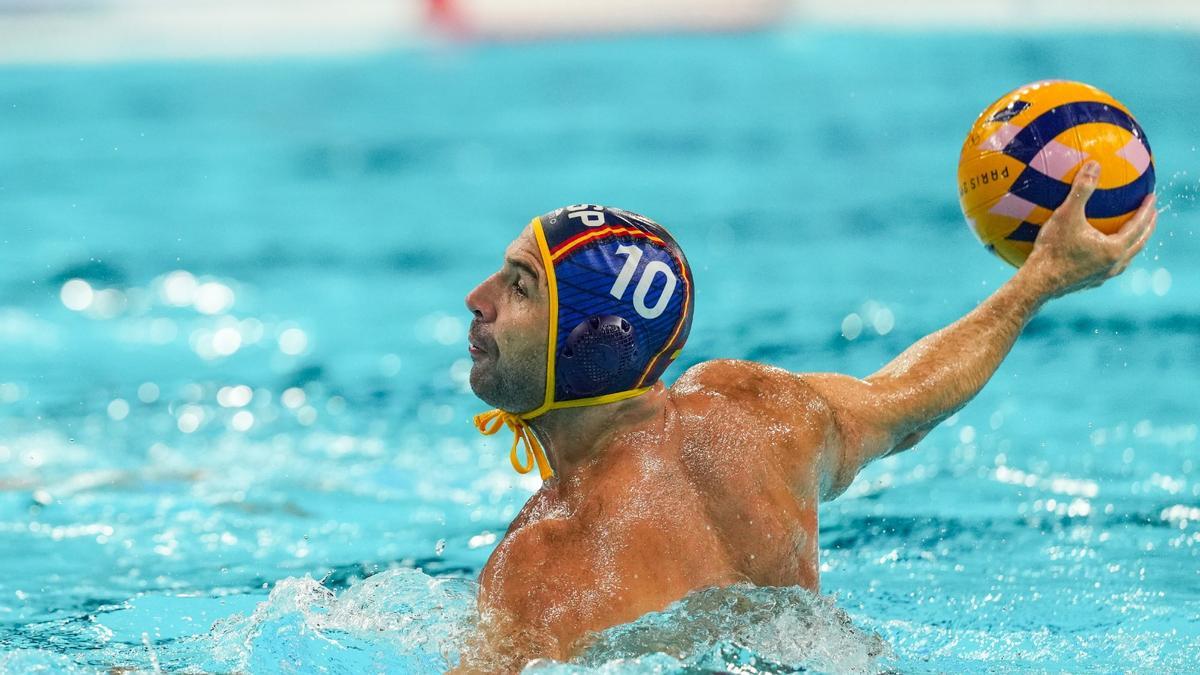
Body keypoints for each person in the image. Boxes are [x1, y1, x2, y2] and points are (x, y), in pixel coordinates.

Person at [455, 162, 1156, 672]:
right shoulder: (755, 412)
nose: (476, 298)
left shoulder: (540, 563)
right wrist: (1039, 280)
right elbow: (912, 397)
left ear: (592, 344)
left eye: (519, 286)